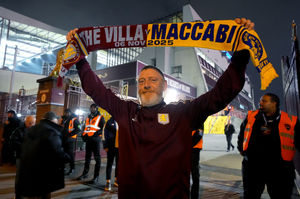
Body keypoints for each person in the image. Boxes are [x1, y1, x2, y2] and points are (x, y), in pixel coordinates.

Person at [68, 18, 254, 199]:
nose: (146, 85)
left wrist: (240, 57)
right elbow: (97, 90)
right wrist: (80, 59)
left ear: (164, 86)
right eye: (141, 81)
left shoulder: (182, 114)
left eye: (152, 80)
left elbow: (219, 95)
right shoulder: (126, 111)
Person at [237, 93, 300, 199]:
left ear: (274, 103)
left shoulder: (291, 121)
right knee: (250, 195)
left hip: (279, 169)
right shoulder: (251, 116)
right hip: (253, 168)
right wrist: (242, 150)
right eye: (260, 100)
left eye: (264, 101)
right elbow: (241, 135)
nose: (260, 103)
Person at [16, 111, 70, 199]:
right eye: (57, 120)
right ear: (53, 120)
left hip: (28, 171)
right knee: (41, 194)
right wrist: (67, 158)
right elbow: (56, 151)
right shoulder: (51, 131)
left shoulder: (33, 129)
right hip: (42, 174)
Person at [78, 103, 105, 183]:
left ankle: (96, 177)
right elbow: (86, 127)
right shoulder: (88, 117)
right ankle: (85, 174)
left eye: (93, 108)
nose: (91, 109)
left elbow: (103, 129)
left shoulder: (100, 117)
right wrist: (84, 135)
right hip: (88, 140)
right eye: (91, 108)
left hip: (96, 140)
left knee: (97, 158)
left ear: (96, 108)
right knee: (87, 158)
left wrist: (95, 134)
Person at [10, 115, 36, 199]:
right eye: (30, 122)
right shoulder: (19, 130)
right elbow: (13, 141)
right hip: (21, 156)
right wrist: (25, 147)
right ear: (26, 122)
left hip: (32, 157)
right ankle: (18, 194)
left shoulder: (36, 131)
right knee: (20, 176)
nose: (31, 124)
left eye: (33, 123)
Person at [61, 109, 81, 175]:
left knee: (70, 154)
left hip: (70, 140)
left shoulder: (74, 119)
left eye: (66, 113)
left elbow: (79, 128)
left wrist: (70, 134)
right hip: (63, 139)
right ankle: (63, 167)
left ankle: (72, 168)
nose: (65, 114)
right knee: (63, 153)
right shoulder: (63, 119)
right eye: (64, 113)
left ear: (69, 113)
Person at [103, 116, 119, 191]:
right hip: (111, 147)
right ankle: (108, 181)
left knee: (118, 165)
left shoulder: (122, 122)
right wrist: (105, 146)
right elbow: (104, 135)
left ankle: (116, 180)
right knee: (109, 164)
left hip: (119, 147)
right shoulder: (109, 122)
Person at [191, 127, 203, 199]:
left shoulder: (199, 122)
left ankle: (194, 196)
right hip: (187, 149)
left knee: (195, 175)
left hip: (194, 150)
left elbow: (199, 134)